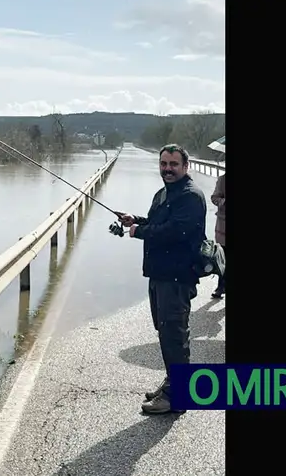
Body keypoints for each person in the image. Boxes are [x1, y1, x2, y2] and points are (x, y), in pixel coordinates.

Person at [116, 144, 207, 415]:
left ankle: (177, 396)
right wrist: (136, 220)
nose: (168, 169)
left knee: (174, 334)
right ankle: (172, 384)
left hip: (177, 278)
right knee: (165, 331)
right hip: (159, 274)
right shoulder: (164, 193)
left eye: (173, 164)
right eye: (164, 164)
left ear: (185, 166)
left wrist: (139, 231)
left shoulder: (191, 196)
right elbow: (157, 221)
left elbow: (175, 231)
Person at [210, 173, 226, 298]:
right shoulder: (223, 179)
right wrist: (223, 201)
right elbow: (214, 197)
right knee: (223, 259)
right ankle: (221, 287)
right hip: (224, 227)